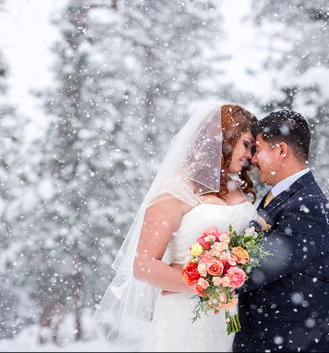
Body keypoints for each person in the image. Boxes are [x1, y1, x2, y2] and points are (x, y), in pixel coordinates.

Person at [93, 103, 268, 351]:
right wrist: (204, 282)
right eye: (246, 144)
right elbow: (143, 265)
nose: (250, 155)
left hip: (234, 317)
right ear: (224, 139)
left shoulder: (236, 186)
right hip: (187, 318)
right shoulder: (175, 192)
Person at [232, 110, 329, 352]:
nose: (252, 159)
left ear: (281, 150)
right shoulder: (283, 196)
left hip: (296, 341)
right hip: (274, 337)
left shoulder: (307, 205)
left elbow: (259, 267)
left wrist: (207, 274)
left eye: (258, 150)